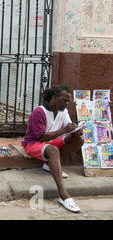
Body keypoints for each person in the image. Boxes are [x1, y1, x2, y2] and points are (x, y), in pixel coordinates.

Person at [21, 85, 85, 213]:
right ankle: (63, 195)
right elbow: (40, 137)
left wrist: (75, 131)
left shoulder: (63, 111)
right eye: (64, 100)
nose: (67, 103)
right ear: (54, 97)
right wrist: (64, 130)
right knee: (52, 150)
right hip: (33, 143)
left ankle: (49, 165)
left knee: (79, 140)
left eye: (68, 101)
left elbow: (68, 128)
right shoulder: (39, 112)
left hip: (50, 143)